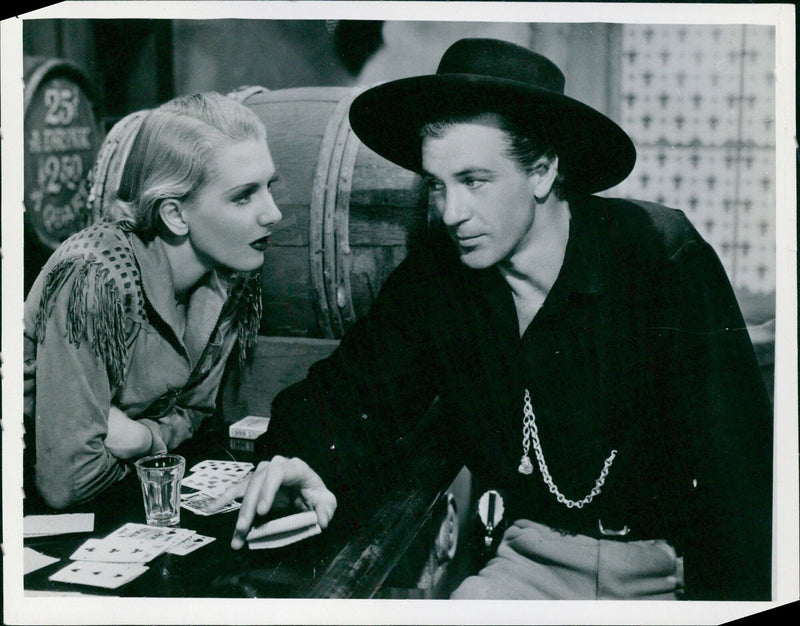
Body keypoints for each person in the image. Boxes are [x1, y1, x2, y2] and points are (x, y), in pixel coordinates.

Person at [215, 39, 773, 601]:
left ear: (543, 172)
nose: (452, 212)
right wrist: (299, 459)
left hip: (669, 570)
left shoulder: (658, 257)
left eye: (475, 181)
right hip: (525, 563)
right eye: (438, 185)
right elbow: (348, 392)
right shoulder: (439, 277)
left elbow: (742, 479)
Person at [23, 92, 281, 510]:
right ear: (175, 214)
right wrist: (159, 444)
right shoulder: (94, 277)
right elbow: (67, 482)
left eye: (270, 187)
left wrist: (142, 438)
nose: (273, 214)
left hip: (119, 500)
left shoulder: (232, 274)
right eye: (243, 196)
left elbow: (196, 414)